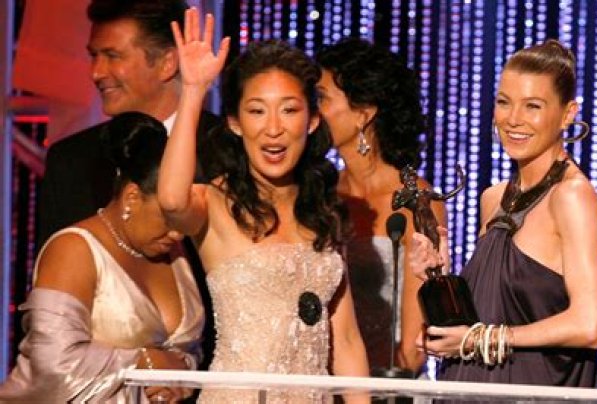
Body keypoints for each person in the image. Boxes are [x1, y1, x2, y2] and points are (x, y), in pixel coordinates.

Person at [158, 9, 369, 402]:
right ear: (235, 123)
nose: (273, 129)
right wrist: (193, 91)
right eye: (256, 111)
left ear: (311, 121)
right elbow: (171, 199)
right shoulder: (215, 202)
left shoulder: (323, 209)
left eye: (289, 110)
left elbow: (346, 340)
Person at [410, 39, 597, 387]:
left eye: (533, 106)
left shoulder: (571, 197)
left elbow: (589, 324)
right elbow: (493, 314)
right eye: (504, 102)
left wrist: (480, 339)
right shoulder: (493, 198)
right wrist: (439, 279)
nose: (513, 119)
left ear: (568, 114)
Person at [36, 0, 219, 369]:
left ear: (167, 63)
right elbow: (49, 317)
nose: (97, 72)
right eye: (94, 56)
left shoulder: (227, 154)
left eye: (112, 56)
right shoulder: (70, 161)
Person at [0, 112, 204, 403]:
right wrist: (143, 362)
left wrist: (180, 375)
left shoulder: (175, 253)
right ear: (132, 197)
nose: (178, 233)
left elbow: (187, 353)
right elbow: (52, 364)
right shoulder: (74, 249)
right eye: (169, 217)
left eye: (183, 218)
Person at [315, 38, 446, 374]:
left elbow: (415, 345)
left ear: (363, 114)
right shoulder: (319, 194)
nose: (311, 112)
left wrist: (367, 389)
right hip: (320, 381)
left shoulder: (416, 201)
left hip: (388, 383)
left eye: (322, 98)